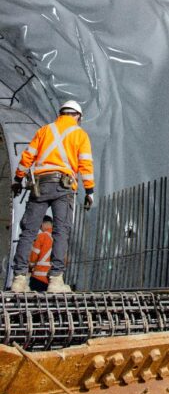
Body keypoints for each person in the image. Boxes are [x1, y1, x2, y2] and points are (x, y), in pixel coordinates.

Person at [10, 100, 94, 293]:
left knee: (29, 232)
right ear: (78, 116)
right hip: (64, 187)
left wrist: (17, 178)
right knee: (61, 232)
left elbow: (27, 156)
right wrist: (90, 191)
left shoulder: (44, 130)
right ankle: (56, 281)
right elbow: (85, 165)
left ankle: (20, 279)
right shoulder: (80, 134)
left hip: (40, 185)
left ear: (61, 113)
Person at [28, 215, 53, 292]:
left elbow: (33, 259)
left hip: (38, 278)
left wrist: (30, 265)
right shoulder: (59, 237)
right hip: (53, 280)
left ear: (42, 224)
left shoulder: (41, 236)